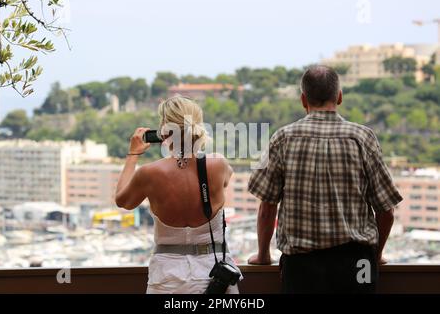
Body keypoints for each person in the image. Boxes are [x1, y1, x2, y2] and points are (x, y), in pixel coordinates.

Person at [247, 65, 403, 294]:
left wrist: (263, 255)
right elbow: (386, 211)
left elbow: (267, 208)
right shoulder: (363, 138)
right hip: (358, 262)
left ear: (303, 99)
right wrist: (375, 256)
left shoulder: (282, 137)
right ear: (339, 97)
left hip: (301, 267)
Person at [115, 95, 241, 294]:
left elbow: (122, 200)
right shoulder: (218, 165)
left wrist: (133, 155)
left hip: (167, 278)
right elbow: (224, 179)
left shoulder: (149, 173)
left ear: (164, 131)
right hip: (215, 276)